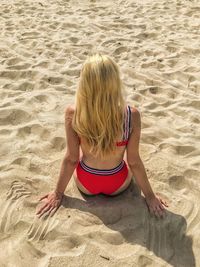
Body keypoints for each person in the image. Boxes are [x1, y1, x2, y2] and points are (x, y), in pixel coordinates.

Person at [36, 54, 168, 218]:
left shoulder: (73, 113)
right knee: (126, 159)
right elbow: (134, 161)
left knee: (86, 150)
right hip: (118, 184)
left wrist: (57, 193)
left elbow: (71, 159)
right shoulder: (131, 115)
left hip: (86, 184)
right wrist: (150, 197)